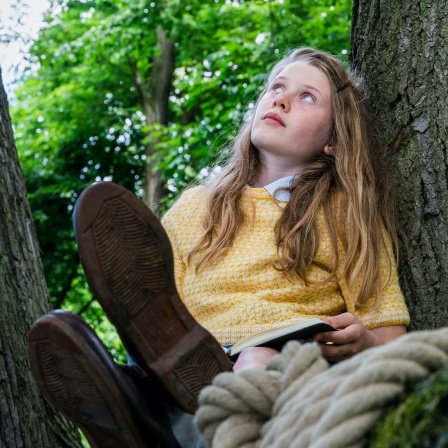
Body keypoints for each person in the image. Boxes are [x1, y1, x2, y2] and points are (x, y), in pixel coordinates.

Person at [28, 47, 410, 448]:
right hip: (186, 365)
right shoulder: (198, 205)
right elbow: (155, 302)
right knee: (163, 345)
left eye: (306, 97)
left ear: (333, 138)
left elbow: (391, 339)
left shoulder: (345, 214)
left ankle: (143, 414)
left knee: (257, 362)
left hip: (288, 365)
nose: (280, 99)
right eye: (277, 87)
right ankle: (134, 393)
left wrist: (362, 342)